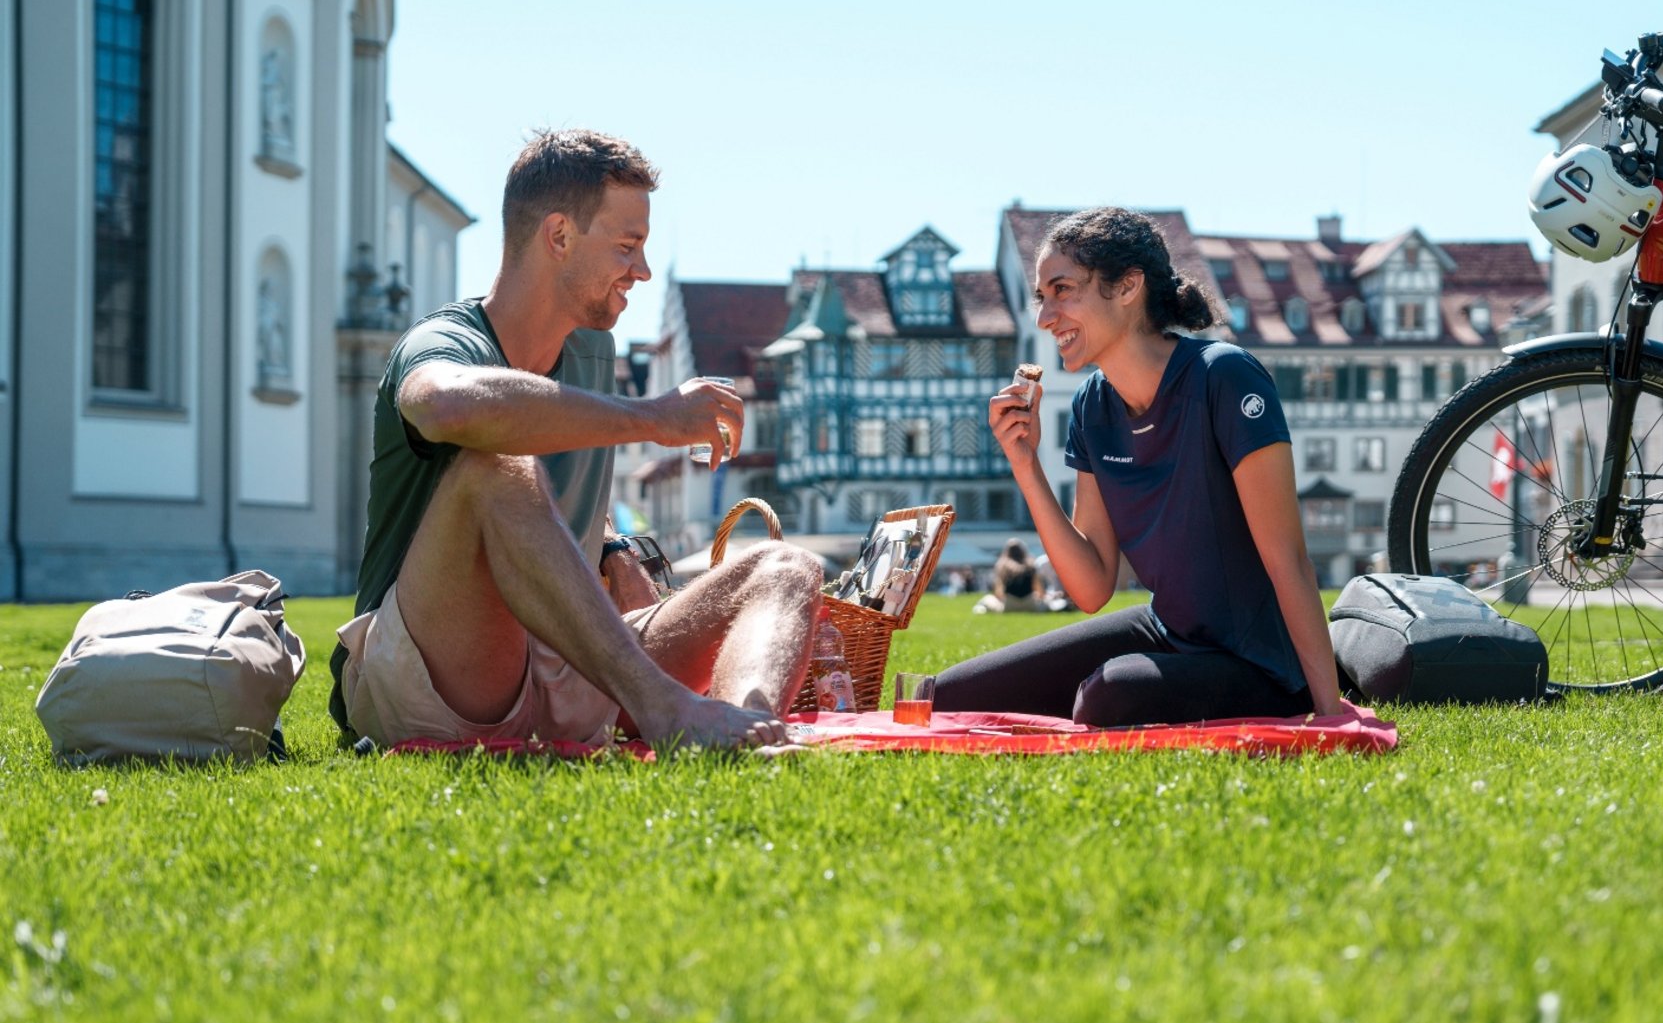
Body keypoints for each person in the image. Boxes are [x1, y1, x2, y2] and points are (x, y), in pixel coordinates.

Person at [327, 129, 820, 754]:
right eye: (627, 247)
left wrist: (612, 547)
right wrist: (654, 417)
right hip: (434, 679)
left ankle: (743, 731)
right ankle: (668, 709)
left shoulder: (593, 352)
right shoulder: (445, 341)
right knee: (495, 464)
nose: (641, 270)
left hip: (571, 665)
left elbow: (556, 490)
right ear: (558, 236)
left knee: (784, 568)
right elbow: (445, 405)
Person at [933, 208, 1345, 726]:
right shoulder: (1092, 407)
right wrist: (1025, 465)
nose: (1044, 317)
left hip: (1260, 664)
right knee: (945, 698)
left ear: (1128, 286)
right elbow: (1090, 588)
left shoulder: (1224, 376)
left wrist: (1330, 713)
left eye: (1062, 290)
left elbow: (1289, 561)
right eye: (1042, 297)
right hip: (1170, 633)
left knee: (1109, 696)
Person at [972, 538, 1042, 613]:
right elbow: (1039, 589)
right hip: (1030, 604)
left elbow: (998, 592)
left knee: (987, 598)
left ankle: (979, 609)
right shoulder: (1031, 565)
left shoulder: (1003, 566)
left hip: (1009, 604)